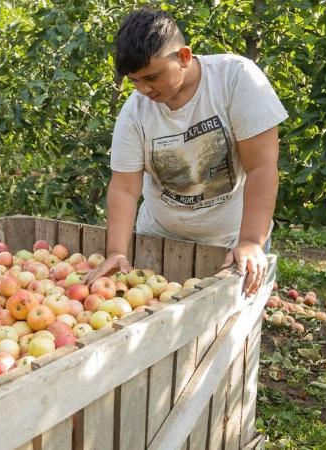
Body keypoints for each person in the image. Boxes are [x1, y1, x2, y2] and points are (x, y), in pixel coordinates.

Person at [84, 8, 287, 295]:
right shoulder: (135, 112)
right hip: (158, 239)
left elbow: (262, 167)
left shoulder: (235, 79)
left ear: (184, 57)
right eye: (134, 81)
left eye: (152, 77)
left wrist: (251, 240)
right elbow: (125, 188)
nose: (144, 89)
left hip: (231, 239)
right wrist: (117, 251)